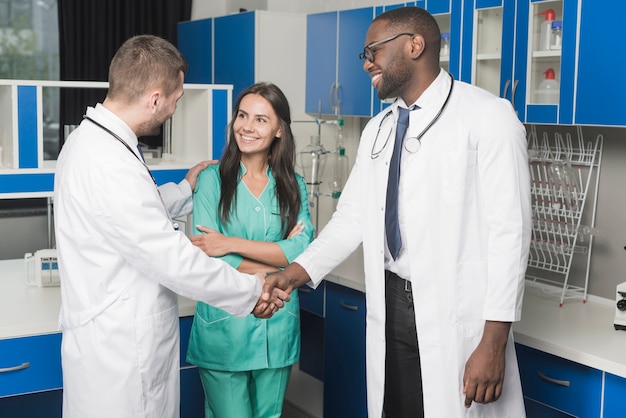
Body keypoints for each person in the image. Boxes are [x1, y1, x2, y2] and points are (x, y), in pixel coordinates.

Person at [265, 6, 532, 418]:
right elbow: (352, 218)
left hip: (456, 313)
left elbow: (510, 235)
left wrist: (493, 342)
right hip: (392, 301)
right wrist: (295, 273)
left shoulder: (487, 117)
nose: (367, 62)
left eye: (372, 50)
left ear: (414, 45)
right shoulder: (380, 128)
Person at [53, 35, 287, 418]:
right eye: (176, 99)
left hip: (111, 338)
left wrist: (183, 189)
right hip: (122, 352)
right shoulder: (108, 162)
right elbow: (172, 259)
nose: (175, 108)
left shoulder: (91, 142)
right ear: (155, 98)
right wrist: (251, 291)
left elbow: (126, 215)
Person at [185, 82, 314, 418]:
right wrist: (275, 259)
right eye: (242, 116)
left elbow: (302, 250)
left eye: (260, 119)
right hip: (226, 325)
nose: (246, 126)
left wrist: (230, 242)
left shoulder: (293, 185)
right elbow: (208, 252)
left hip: (278, 321)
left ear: (279, 130)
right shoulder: (213, 179)